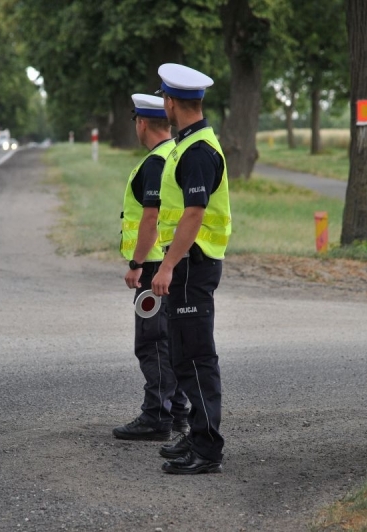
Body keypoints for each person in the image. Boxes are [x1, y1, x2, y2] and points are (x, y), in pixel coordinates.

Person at [150, 64, 231, 475]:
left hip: (190, 265)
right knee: (183, 355)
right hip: (187, 264)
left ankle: (207, 449)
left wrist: (166, 266)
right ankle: (197, 435)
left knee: (196, 357)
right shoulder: (189, 144)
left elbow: (194, 214)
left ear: (169, 102)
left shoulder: (197, 151)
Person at [112, 93, 190, 442]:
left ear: (141, 123)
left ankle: (157, 415)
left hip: (154, 263)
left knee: (152, 342)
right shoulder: (174, 155)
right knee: (171, 339)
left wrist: (136, 263)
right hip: (171, 260)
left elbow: (151, 217)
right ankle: (176, 413)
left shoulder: (155, 163)